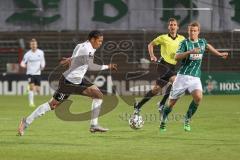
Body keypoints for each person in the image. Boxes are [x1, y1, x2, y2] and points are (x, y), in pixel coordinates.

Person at [18, 30, 117, 136]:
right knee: (52, 105)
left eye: (102, 41)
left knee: (98, 95)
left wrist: (70, 59)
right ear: (92, 39)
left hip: (78, 79)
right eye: (99, 41)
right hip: (68, 82)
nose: (100, 43)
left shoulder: (82, 46)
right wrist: (108, 66)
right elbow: (92, 66)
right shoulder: (86, 49)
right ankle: (26, 121)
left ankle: (94, 125)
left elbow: (76, 54)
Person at [159, 21, 228, 132]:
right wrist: (190, 52)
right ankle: (163, 119)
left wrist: (219, 54)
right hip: (182, 77)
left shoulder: (202, 42)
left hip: (195, 77)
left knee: (198, 97)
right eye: (190, 30)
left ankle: (187, 119)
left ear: (198, 32)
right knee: (171, 103)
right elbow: (176, 57)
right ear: (188, 31)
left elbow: (208, 46)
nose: (192, 33)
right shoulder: (184, 43)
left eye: (194, 31)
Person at [133, 18, 185, 114]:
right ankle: (161, 104)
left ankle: (138, 105)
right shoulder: (163, 37)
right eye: (170, 25)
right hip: (163, 65)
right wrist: (152, 56)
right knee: (176, 82)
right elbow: (150, 45)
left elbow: (187, 48)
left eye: (174, 25)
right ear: (168, 27)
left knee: (156, 89)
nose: (172, 26)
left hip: (173, 66)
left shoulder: (182, 39)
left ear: (177, 27)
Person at [20, 39, 46, 107]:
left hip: (38, 73)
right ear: (30, 45)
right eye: (32, 44)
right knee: (32, 88)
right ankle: (31, 103)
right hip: (30, 73)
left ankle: (28, 89)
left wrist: (42, 66)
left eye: (35, 44)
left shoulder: (41, 52)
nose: (34, 45)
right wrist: (24, 65)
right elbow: (22, 63)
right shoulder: (27, 54)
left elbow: (42, 61)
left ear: (36, 45)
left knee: (37, 90)